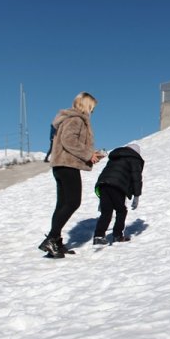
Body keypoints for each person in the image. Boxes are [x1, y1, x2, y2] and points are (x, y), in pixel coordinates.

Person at [38, 92, 103, 258]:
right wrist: (89, 154)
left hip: (60, 165)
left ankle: (56, 241)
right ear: (85, 105)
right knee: (73, 202)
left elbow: (68, 141)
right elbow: (69, 141)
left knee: (63, 204)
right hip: (67, 165)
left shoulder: (67, 119)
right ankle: (52, 239)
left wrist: (91, 154)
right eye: (92, 107)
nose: (92, 111)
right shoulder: (76, 119)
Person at [92, 142, 144, 245]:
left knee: (106, 212)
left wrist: (101, 197)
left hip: (103, 184)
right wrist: (136, 195)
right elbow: (136, 178)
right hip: (117, 186)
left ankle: (98, 236)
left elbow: (106, 172)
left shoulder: (115, 157)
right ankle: (117, 235)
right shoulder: (134, 159)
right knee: (121, 211)